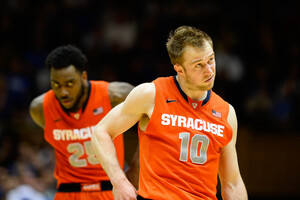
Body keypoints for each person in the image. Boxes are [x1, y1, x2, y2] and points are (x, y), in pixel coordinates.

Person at [91, 26, 248, 200]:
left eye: (211, 60)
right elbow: (101, 132)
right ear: (179, 69)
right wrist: (119, 181)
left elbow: (232, 183)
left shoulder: (226, 112)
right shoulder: (151, 94)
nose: (209, 70)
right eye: (199, 65)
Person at [29, 45, 138, 200]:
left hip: (109, 188)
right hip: (67, 191)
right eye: (56, 85)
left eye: (69, 84)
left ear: (84, 77)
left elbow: (152, 117)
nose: (63, 92)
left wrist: (136, 166)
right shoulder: (40, 108)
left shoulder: (115, 95)